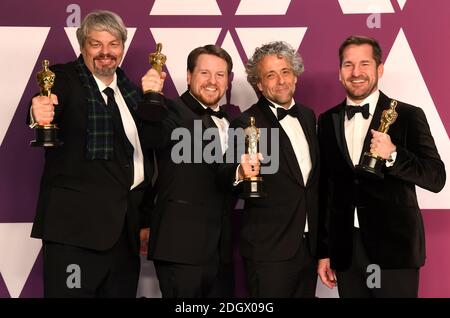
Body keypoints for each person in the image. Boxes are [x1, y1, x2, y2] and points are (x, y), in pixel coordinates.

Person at [29, 10, 162, 297]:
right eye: (96, 44)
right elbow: (47, 100)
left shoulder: (131, 92)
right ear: (82, 46)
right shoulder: (65, 79)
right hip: (75, 236)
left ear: (123, 48)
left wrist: (146, 218)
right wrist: (37, 111)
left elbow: (145, 158)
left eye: (113, 44)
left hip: (124, 236)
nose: (106, 52)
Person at [317, 35, 446, 298]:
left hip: (394, 250)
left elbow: (436, 177)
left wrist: (394, 155)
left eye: (364, 64)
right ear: (340, 73)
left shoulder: (408, 115)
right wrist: (324, 251)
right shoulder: (327, 119)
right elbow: (325, 188)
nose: (356, 73)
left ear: (379, 69)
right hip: (346, 251)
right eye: (348, 65)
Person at [137, 44, 235, 297]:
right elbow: (151, 137)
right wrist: (151, 97)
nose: (212, 81)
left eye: (220, 75)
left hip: (221, 251)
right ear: (189, 76)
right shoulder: (168, 111)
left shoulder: (234, 123)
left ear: (228, 81)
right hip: (180, 247)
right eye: (204, 73)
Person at [228, 41, 320, 297]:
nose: (280, 80)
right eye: (270, 74)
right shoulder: (244, 123)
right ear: (258, 84)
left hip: (308, 248)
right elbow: (225, 176)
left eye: (285, 72)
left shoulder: (308, 115)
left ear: (295, 76)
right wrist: (239, 173)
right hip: (268, 251)